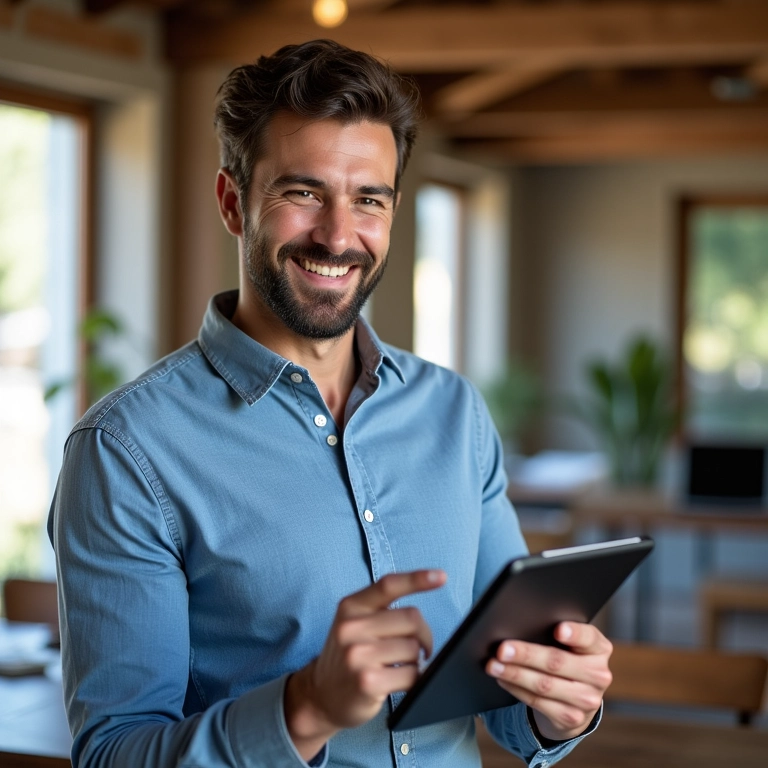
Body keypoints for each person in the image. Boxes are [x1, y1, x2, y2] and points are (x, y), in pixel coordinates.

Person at [48, 39, 611, 768]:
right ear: (233, 202)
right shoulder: (127, 450)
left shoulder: (455, 414)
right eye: (303, 192)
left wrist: (556, 707)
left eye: (367, 200)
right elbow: (114, 755)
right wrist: (304, 708)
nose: (339, 236)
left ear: (392, 212)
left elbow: (503, 699)